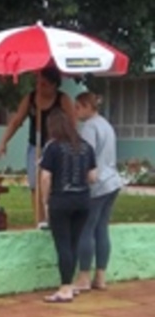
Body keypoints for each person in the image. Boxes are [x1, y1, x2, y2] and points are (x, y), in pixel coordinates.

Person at [0, 63, 75, 227]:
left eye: (44, 85)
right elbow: (17, 120)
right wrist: (4, 141)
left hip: (57, 148)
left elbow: (73, 125)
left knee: (54, 185)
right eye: (38, 83)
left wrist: (72, 146)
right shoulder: (31, 98)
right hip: (35, 147)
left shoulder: (63, 100)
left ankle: (54, 218)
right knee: (35, 185)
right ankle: (39, 220)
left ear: (54, 85)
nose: (40, 87)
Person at [39, 108, 97, 303]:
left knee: (62, 244)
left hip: (61, 200)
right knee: (73, 242)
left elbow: (46, 177)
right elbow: (93, 177)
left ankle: (64, 288)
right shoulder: (86, 147)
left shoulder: (52, 147)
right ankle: (70, 285)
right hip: (83, 201)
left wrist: (45, 201)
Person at [73, 92, 122, 292]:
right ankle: (100, 276)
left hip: (97, 184)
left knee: (86, 228)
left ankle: (84, 275)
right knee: (101, 228)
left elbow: (87, 156)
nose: (75, 112)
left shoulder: (89, 128)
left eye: (78, 107)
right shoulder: (106, 125)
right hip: (112, 181)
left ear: (87, 106)